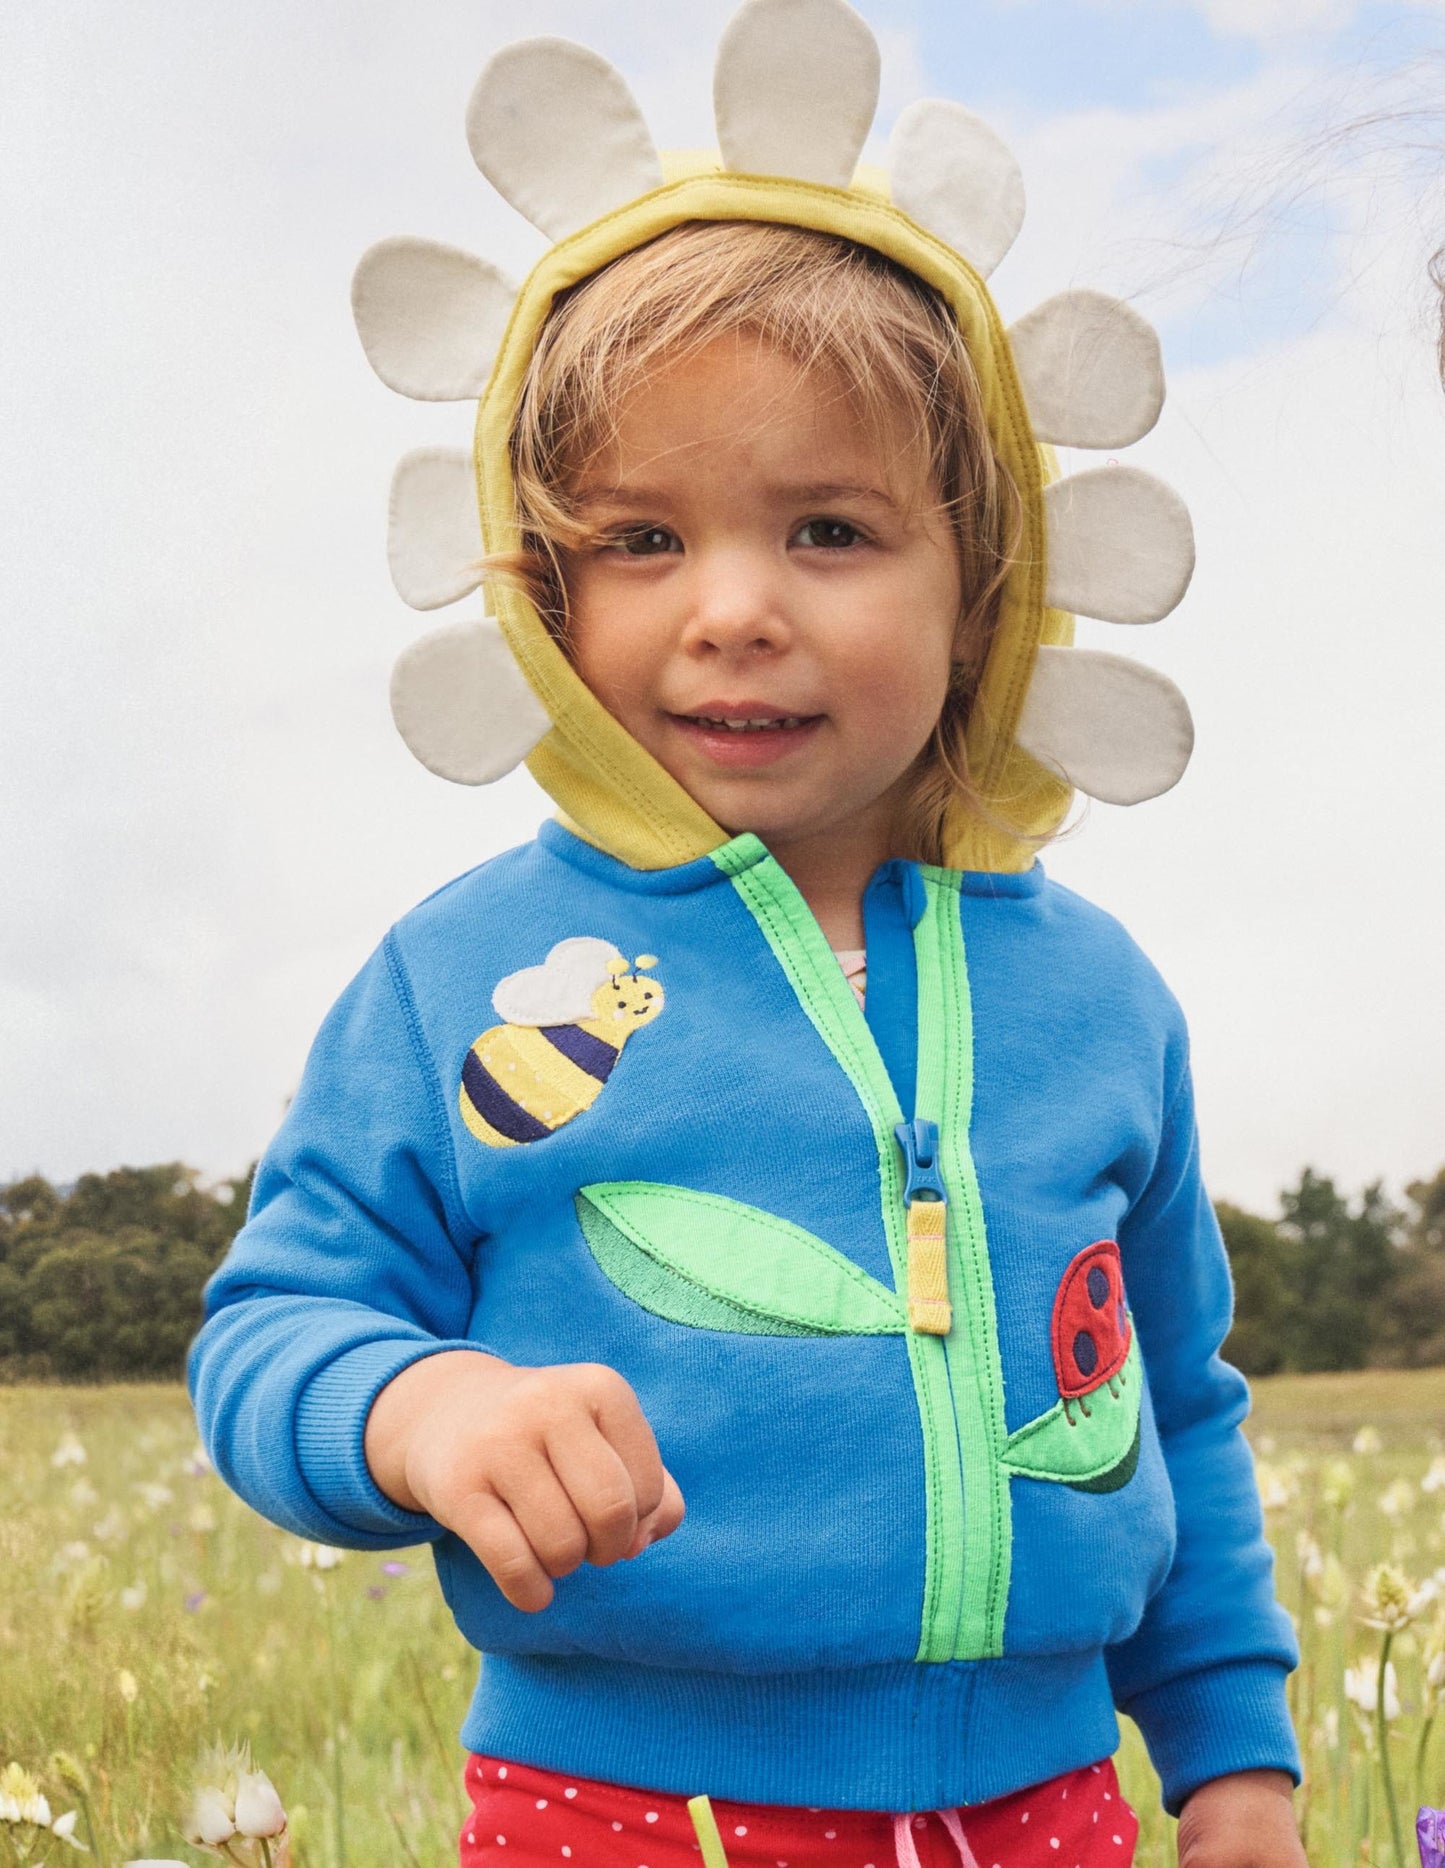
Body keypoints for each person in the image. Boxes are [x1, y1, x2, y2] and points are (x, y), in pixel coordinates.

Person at [188, 4, 1306, 1864]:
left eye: (829, 529)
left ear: (988, 576)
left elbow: (1170, 1398)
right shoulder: (459, 979)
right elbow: (273, 1327)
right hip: (618, 1803)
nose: (729, 611)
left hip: (1051, 1808)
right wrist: (420, 1405)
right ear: (537, 588)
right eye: (637, 540)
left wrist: (1235, 1758)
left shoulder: (1096, 1000)